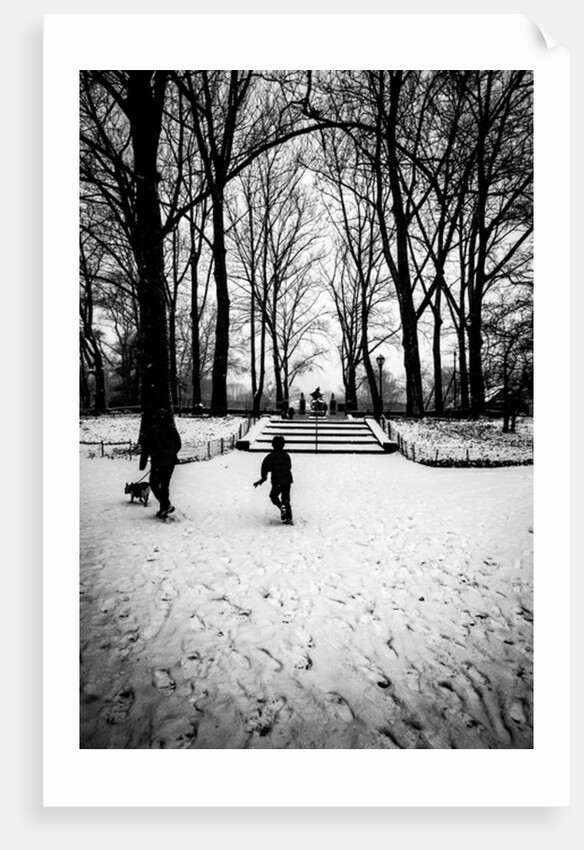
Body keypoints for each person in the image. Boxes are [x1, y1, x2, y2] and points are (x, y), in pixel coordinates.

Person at [139, 408, 182, 519]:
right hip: (169, 462)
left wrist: (143, 464)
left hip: (158, 462)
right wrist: (171, 454)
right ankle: (164, 507)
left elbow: (146, 447)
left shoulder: (153, 430)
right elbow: (178, 445)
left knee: (154, 483)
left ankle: (165, 505)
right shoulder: (172, 430)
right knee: (164, 485)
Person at [253, 435, 293, 523]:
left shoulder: (270, 456)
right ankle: (289, 518)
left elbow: (265, 468)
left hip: (277, 481)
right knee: (286, 498)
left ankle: (281, 506)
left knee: (273, 496)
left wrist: (263, 479)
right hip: (287, 480)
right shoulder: (286, 455)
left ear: (272, 445)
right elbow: (289, 466)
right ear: (283, 445)